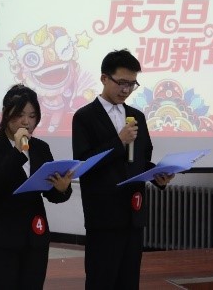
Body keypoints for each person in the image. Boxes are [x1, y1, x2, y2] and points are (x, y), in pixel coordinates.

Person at [72, 49, 174, 290]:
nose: (126, 90)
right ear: (104, 78)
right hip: (103, 216)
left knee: (129, 281)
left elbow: (141, 161)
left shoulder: (136, 116)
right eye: (121, 83)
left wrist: (158, 176)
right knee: (102, 280)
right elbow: (84, 163)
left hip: (133, 214)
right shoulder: (85, 117)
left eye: (132, 84)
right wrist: (119, 142)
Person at [0, 84, 73, 290]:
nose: (26, 122)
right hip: (1, 239)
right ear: (6, 113)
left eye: (32, 116)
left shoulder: (41, 148)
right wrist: (18, 151)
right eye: (20, 115)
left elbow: (51, 195)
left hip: (34, 238)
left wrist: (62, 188)